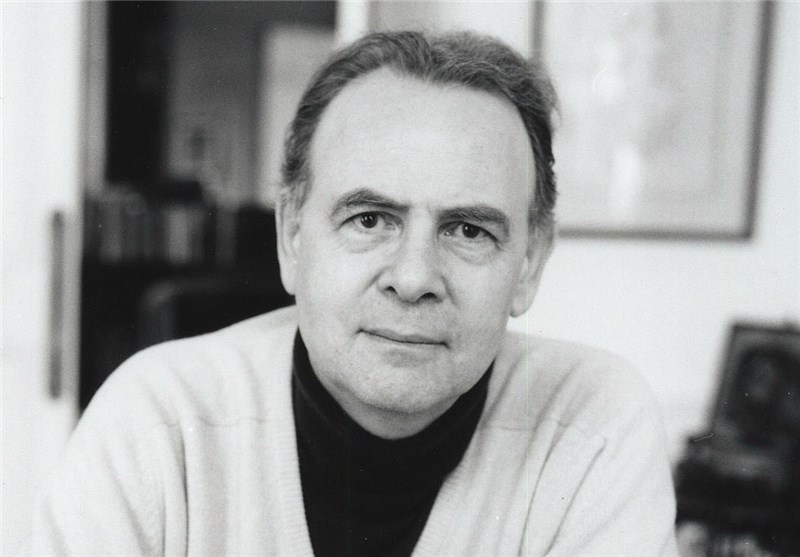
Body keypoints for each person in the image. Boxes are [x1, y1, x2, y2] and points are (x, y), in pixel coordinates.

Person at [31, 31, 677, 555]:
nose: (414, 278)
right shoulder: (153, 429)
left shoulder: (592, 428)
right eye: (370, 220)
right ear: (292, 235)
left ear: (530, 263)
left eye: (468, 230)